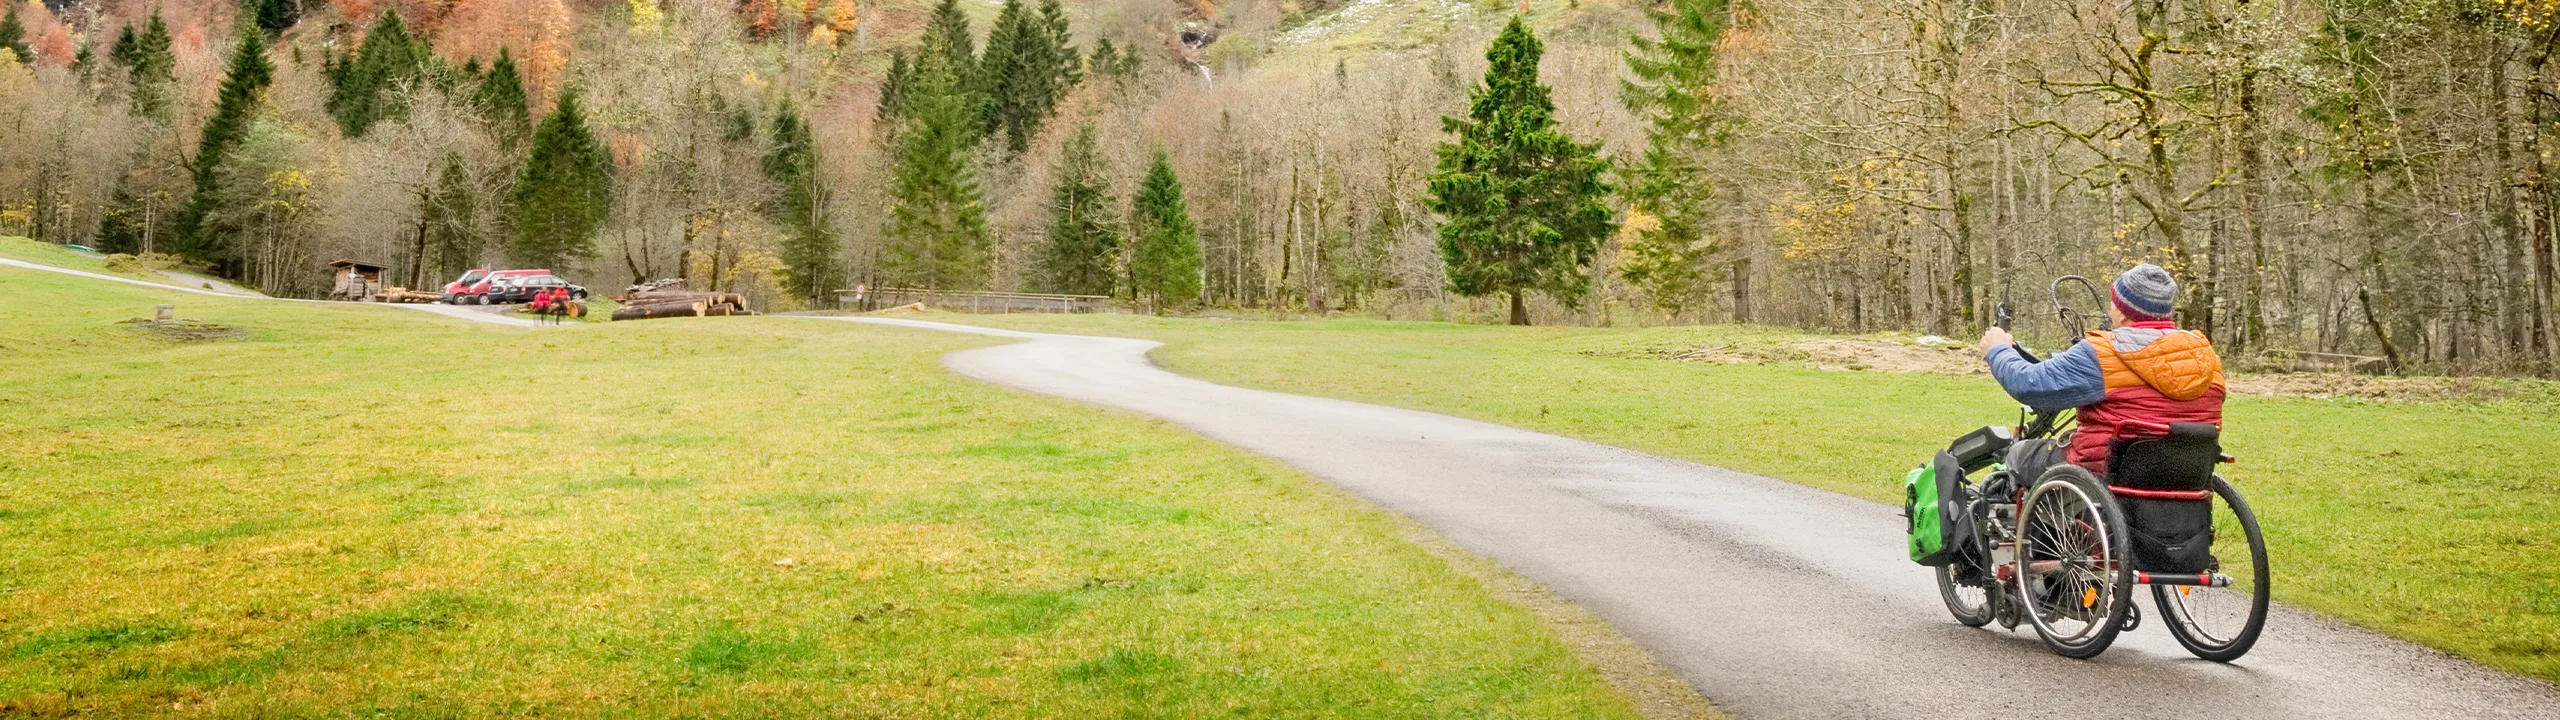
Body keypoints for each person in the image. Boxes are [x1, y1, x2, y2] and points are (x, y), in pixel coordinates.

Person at [1977, 263, 2226, 477]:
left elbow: (2028, 383)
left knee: (2021, 453)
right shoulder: (2207, 356)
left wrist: (1998, 348)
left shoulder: (2102, 352)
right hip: (2185, 474)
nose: (2110, 311)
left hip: (2104, 472)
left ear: (2124, 312)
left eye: (2113, 304)